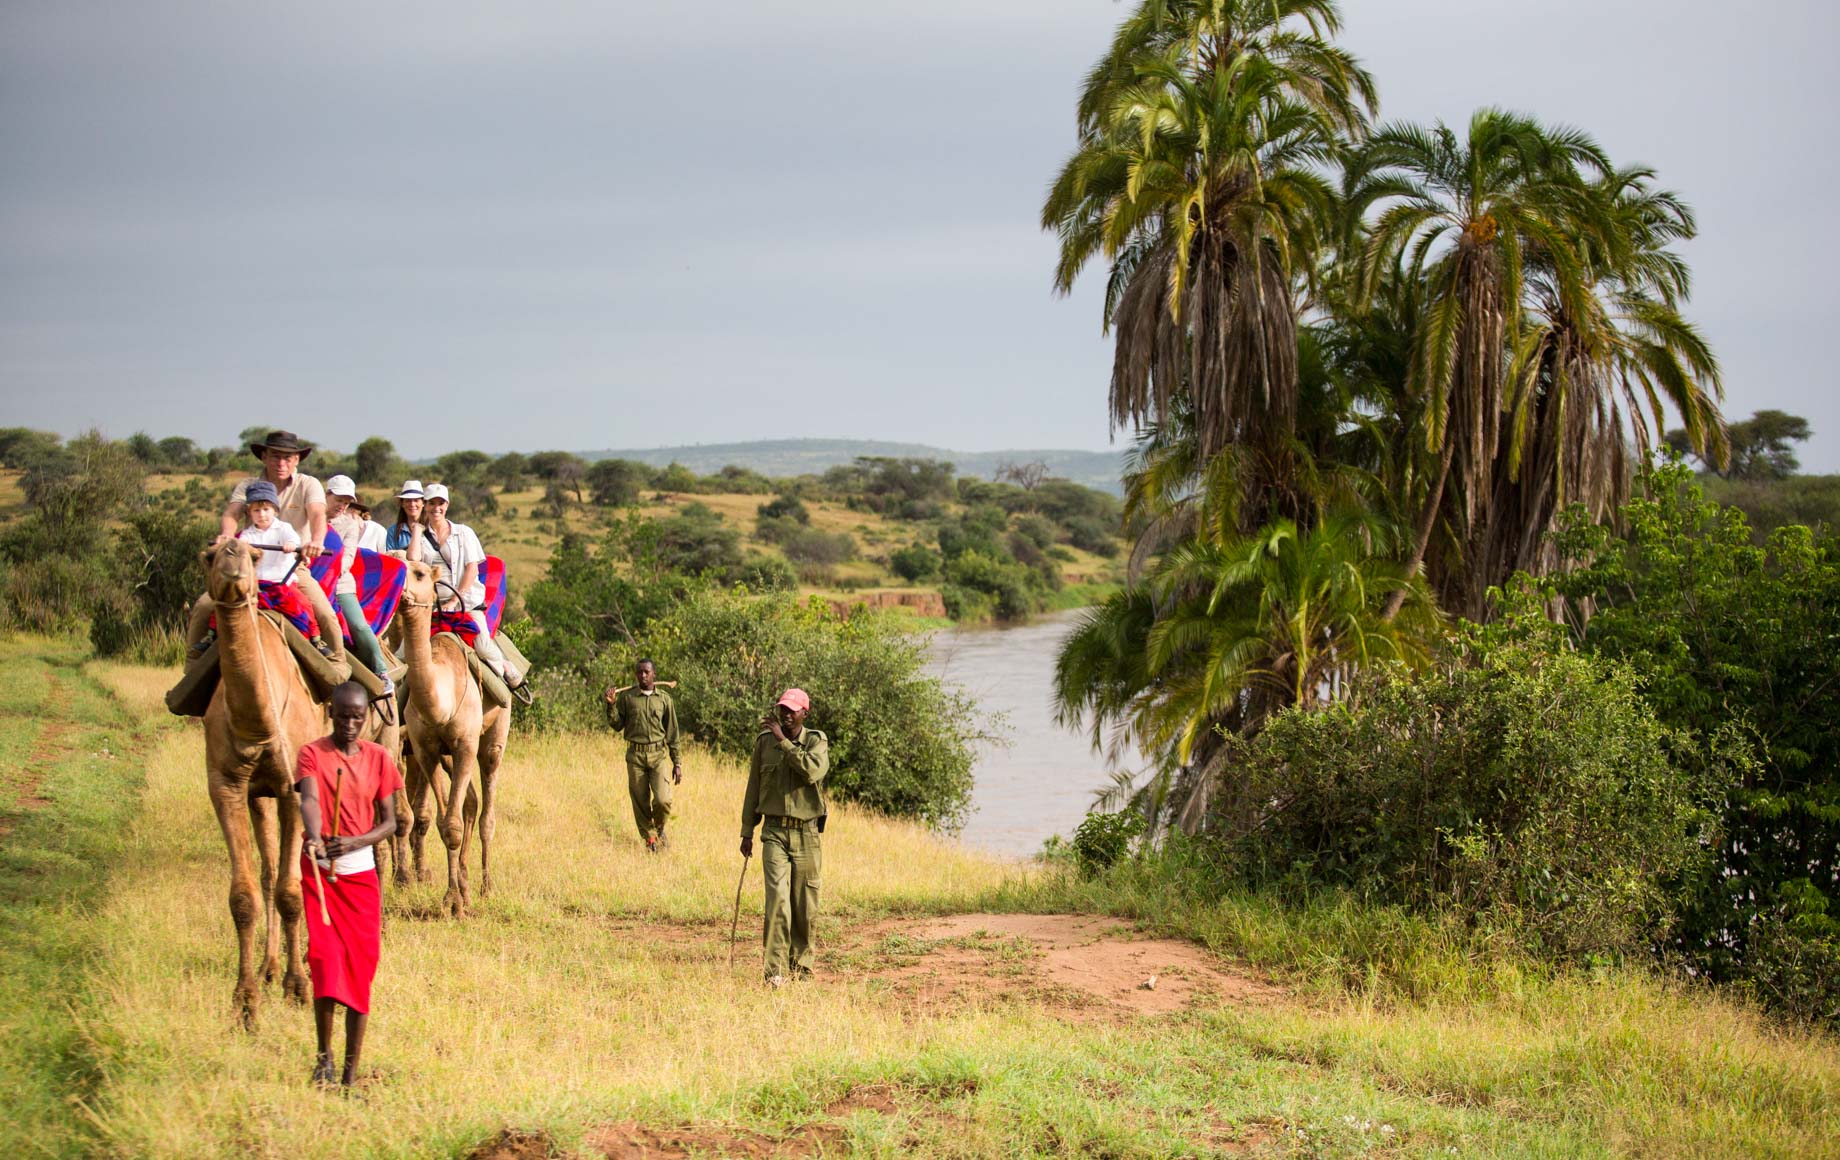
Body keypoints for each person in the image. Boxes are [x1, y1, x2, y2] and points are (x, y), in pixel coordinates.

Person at [297, 681, 403, 1086]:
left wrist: (355, 842)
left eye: (358, 717)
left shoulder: (379, 758)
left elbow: (390, 823)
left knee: (360, 970)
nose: (350, 725)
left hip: (361, 878)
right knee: (324, 961)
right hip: (321, 874)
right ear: (331, 713)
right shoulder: (311, 753)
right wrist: (314, 835)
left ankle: (349, 1074)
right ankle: (323, 1060)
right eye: (343, 716)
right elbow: (308, 798)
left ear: (367, 717)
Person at [188, 429, 343, 663]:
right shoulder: (249, 485)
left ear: (297, 460)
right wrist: (227, 535)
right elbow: (232, 513)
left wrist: (317, 541)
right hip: (249, 569)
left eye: (288, 458)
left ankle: (336, 672)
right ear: (264, 457)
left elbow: (318, 514)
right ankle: (191, 674)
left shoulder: (307, 484)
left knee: (326, 614)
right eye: (275, 456)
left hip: (291, 569)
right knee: (202, 607)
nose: (281, 463)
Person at [738, 688, 829, 988]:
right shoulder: (764, 743)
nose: (786, 715)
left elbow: (812, 771)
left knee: (804, 904)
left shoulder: (816, 741)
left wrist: (784, 742)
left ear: (806, 712)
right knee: (777, 901)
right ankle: (775, 973)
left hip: (806, 832)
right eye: (782, 709)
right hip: (774, 833)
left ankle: (802, 969)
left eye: (792, 710)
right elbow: (754, 787)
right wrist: (747, 831)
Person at [404, 483, 523, 691]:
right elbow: (413, 560)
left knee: (484, 647)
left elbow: (472, 569)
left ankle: (504, 669)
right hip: (433, 606)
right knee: (404, 650)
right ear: (425, 505)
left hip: (465, 604)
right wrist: (416, 530)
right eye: (431, 503)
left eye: (440, 503)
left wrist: (454, 601)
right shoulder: (422, 538)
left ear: (447, 505)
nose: (436, 508)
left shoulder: (463, 533)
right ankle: (395, 700)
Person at [603, 659, 682, 852]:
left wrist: (677, 763)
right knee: (640, 801)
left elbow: (672, 733)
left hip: (657, 756)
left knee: (663, 800)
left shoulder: (664, 699)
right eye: (639, 672)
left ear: (654, 674)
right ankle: (650, 840)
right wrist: (611, 706)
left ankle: (659, 828)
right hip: (635, 757)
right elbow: (617, 725)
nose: (643, 676)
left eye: (646, 672)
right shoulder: (628, 698)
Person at [325, 475, 393, 693]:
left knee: (359, 626)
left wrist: (326, 571)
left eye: (346, 502)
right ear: (327, 495)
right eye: (338, 499)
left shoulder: (349, 525)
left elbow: (347, 558)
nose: (342, 505)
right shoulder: (309, 517)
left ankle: (380, 672)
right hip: (305, 581)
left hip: (339, 585)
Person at [384, 480, 425, 553]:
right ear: (402, 504)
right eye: (408, 500)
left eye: (416, 500)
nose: (412, 504)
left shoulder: (432, 529)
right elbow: (390, 558)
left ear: (423, 503)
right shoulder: (393, 531)